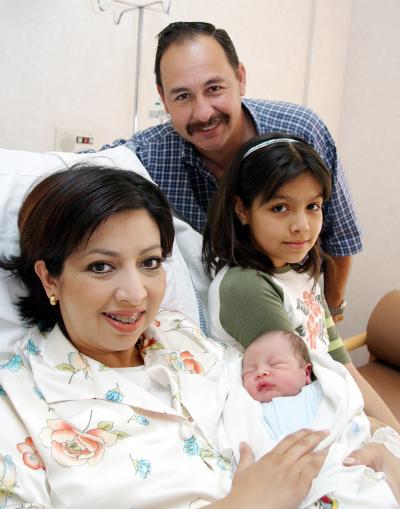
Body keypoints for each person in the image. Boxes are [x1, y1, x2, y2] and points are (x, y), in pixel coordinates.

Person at [0, 162, 334, 509]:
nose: (135, 293)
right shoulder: (17, 403)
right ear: (50, 278)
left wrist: (382, 451)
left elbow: (294, 405)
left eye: (150, 263)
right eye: (101, 267)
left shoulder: (181, 336)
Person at [102, 21, 362, 318]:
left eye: (214, 89)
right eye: (183, 96)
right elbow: (66, 167)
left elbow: (340, 238)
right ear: (163, 98)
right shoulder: (151, 155)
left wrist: (329, 317)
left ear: (240, 78)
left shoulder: (300, 132)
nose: (203, 113)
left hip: (299, 307)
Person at [203, 133, 400, 435]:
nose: (301, 226)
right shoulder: (247, 287)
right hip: (288, 431)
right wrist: (378, 432)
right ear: (242, 209)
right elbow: (301, 391)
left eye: (313, 207)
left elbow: (340, 361)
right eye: (280, 208)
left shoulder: (297, 270)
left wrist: (392, 429)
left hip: (327, 415)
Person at [235, 330, 400, 507]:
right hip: (286, 486)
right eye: (249, 372)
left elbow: (351, 418)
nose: (260, 372)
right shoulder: (252, 409)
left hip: (345, 469)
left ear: (306, 373)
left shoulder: (324, 393)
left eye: (275, 365)